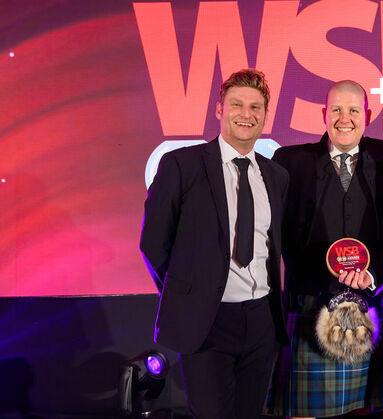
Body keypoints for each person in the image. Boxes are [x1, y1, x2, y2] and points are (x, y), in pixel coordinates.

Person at [140, 69, 289, 418]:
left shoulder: (276, 176)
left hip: (262, 319)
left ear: (266, 114)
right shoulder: (182, 165)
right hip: (207, 320)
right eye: (236, 104)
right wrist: (188, 294)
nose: (246, 114)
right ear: (219, 109)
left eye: (256, 107)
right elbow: (153, 243)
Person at [268, 80, 383, 418]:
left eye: (354, 110)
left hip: (374, 303)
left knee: (371, 406)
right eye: (336, 110)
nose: (344, 118)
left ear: (368, 115)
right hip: (310, 303)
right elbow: (278, 237)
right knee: (304, 412)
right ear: (323, 114)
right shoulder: (289, 161)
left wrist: (373, 275)